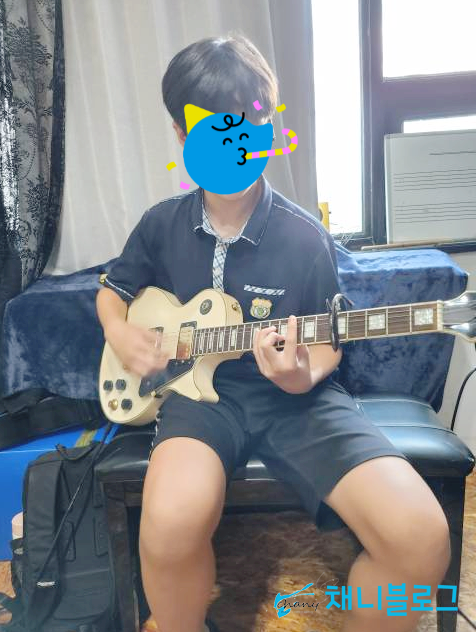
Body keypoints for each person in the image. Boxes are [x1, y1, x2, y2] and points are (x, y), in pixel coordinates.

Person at [96, 34, 451, 632]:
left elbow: (328, 339)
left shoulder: (303, 236)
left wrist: (302, 374)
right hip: (199, 400)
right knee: (168, 527)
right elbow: (114, 290)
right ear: (183, 136)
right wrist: (118, 331)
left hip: (297, 401)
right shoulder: (160, 225)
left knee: (420, 536)